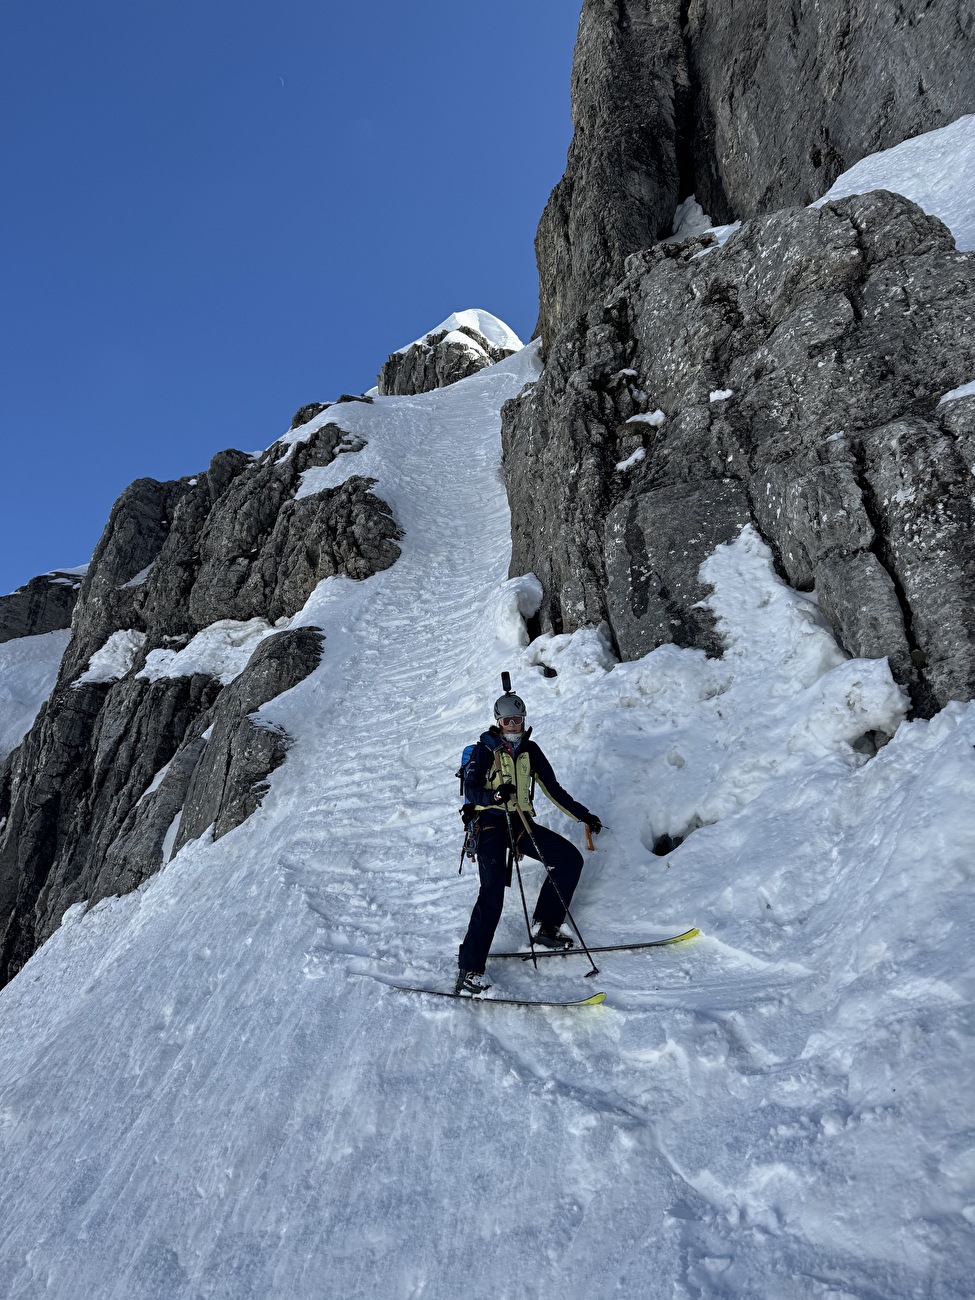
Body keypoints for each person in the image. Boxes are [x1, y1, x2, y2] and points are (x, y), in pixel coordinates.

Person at [455, 689, 602, 995]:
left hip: (520, 824)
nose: (512, 725)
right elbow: (470, 790)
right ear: (498, 721)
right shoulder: (485, 749)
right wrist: (494, 796)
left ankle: (546, 928)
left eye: (517, 719)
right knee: (492, 892)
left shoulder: (530, 751)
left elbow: (553, 789)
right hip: (490, 825)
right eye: (507, 720)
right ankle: (470, 969)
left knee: (568, 859)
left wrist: (584, 815)